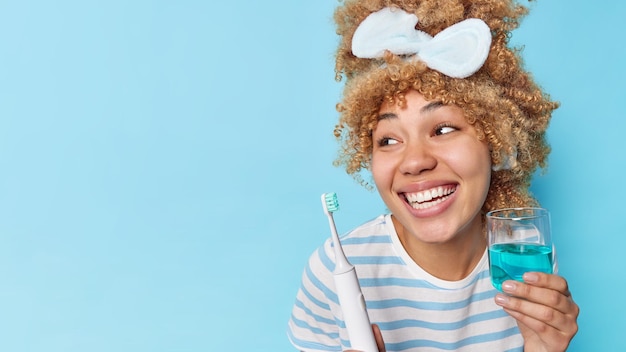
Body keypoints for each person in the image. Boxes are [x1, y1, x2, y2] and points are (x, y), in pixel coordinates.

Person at [287, 0, 579, 351]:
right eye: (388, 139)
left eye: (442, 130)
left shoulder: (521, 251)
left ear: (497, 142)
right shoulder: (331, 271)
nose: (414, 162)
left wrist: (541, 348)